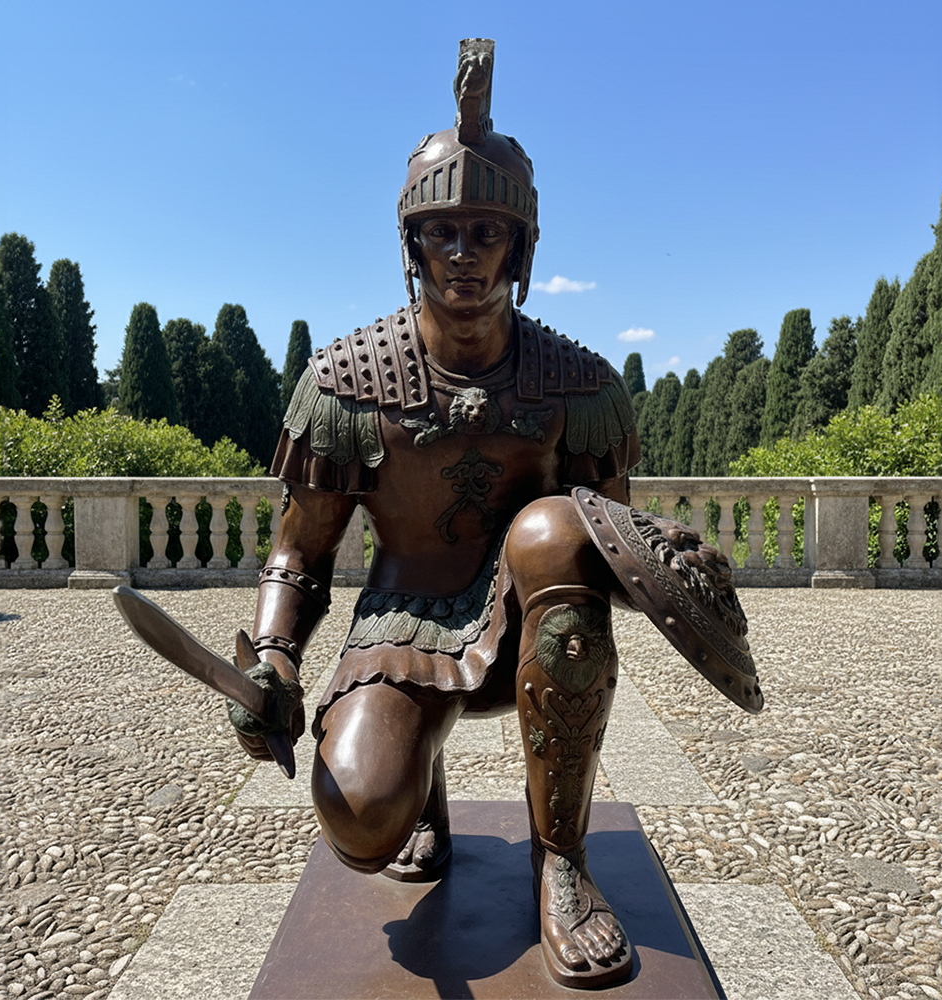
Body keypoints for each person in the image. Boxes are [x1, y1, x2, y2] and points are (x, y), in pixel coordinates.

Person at [230, 39, 761, 990]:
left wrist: (680, 575)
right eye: (444, 232)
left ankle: (560, 860)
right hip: (403, 613)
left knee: (555, 530)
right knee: (359, 818)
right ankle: (416, 781)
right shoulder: (347, 384)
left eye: (488, 233)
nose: (465, 254)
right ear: (412, 245)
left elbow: (613, 546)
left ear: (521, 248)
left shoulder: (579, 386)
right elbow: (300, 553)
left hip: (530, 615)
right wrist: (273, 655)